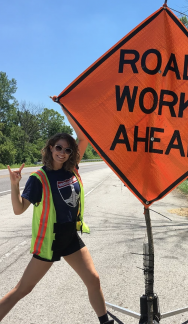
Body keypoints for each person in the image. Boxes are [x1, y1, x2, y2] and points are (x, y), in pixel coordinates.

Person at [0, 104, 114, 324]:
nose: (63, 153)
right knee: (23, 289)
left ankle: (105, 322)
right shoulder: (39, 178)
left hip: (70, 236)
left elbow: (83, 137)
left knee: (93, 279)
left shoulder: (71, 169)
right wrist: (15, 185)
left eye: (68, 150)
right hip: (50, 241)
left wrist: (67, 107)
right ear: (50, 148)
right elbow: (18, 209)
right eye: (59, 148)